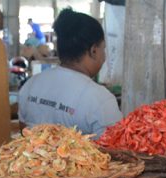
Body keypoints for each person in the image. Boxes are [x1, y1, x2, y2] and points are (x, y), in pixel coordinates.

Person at [18, 9, 121, 137]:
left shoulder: (31, 84)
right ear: (93, 50)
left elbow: (23, 133)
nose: (104, 57)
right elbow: (114, 151)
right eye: (103, 49)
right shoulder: (101, 100)